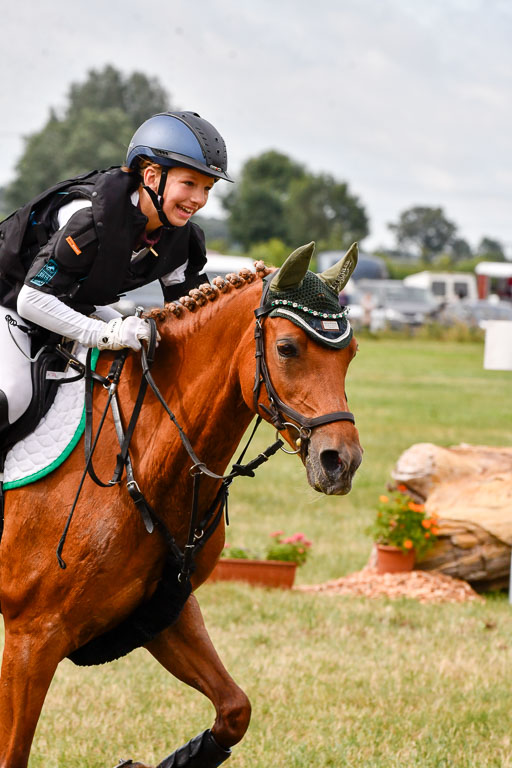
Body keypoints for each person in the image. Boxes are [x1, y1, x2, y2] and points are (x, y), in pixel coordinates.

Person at [0, 111, 233, 437]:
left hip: (72, 303)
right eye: (189, 183)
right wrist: (105, 334)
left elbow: (193, 313)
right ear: (151, 177)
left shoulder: (180, 238)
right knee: (14, 395)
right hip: (11, 298)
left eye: (207, 187)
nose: (198, 199)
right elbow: (32, 300)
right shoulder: (89, 218)